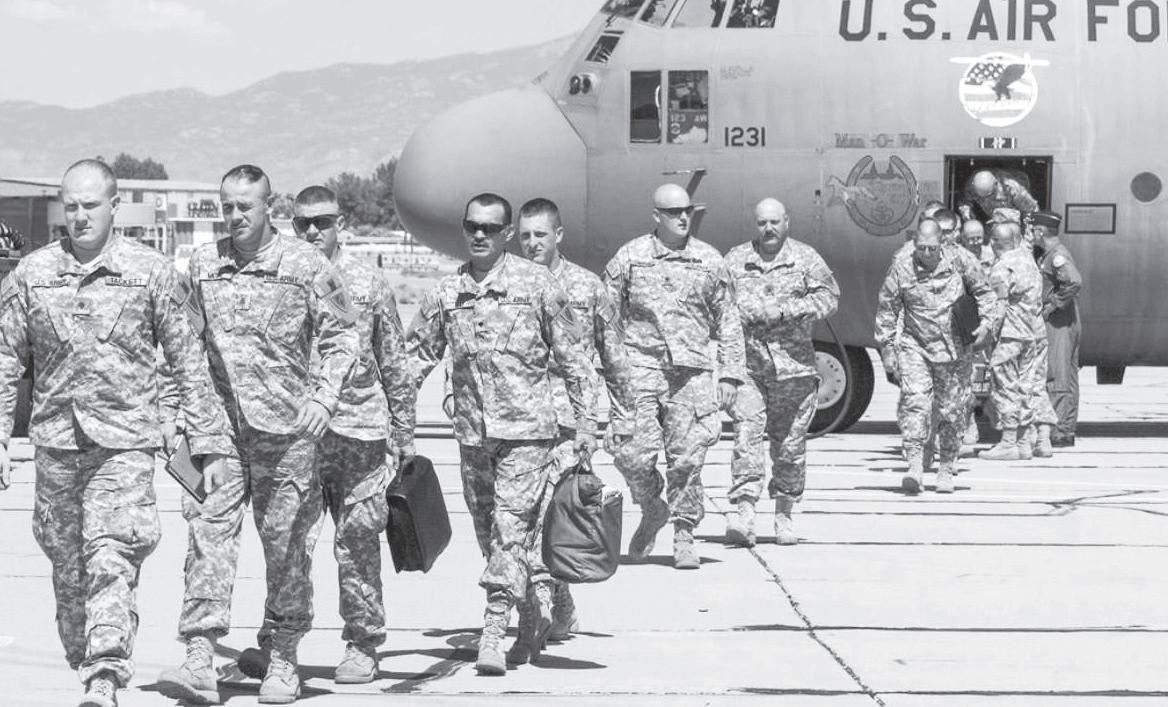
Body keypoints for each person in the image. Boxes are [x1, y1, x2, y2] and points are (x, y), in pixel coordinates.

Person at [0, 160, 231, 707]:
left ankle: (105, 673)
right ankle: (86, 658)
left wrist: (208, 443)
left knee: (112, 554)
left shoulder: (151, 272)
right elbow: (6, 359)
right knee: (67, 566)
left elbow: (188, 361)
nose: (80, 216)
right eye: (71, 207)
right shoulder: (32, 274)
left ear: (115, 205)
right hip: (56, 443)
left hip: (124, 444)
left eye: (91, 205)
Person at [159, 165, 357, 705]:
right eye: (227, 206)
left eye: (245, 206)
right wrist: (172, 412)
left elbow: (344, 336)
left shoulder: (308, 265)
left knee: (287, 545)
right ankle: (199, 656)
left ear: (270, 206)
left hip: (286, 435)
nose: (235, 215)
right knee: (207, 536)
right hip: (215, 433)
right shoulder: (202, 265)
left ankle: (284, 656)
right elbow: (180, 344)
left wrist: (324, 398)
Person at [406, 193, 596, 676]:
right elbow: (414, 360)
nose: (479, 234)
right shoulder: (447, 293)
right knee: (490, 537)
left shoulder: (538, 285)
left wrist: (586, 424)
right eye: (472, 225)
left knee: (510, 533)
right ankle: (531, 617)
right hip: (473, 438)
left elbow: (574, 358)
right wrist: (395, 419)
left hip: (529, 436)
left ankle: (493, 630)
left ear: (506, 233)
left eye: (490, 228)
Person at [234, 186, 417, 684]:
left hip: (357, 432)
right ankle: (277, 643)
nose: (313, 230)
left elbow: (393, 360)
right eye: (303, 223)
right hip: (295, 435)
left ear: (342, 224)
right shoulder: (282, 276)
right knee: (288, 541)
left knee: (357, 540)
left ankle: (362, 643)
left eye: (324, 221)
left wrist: (404, 432)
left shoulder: (366, 281)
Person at [509, 197, 632, 662]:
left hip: (570, 423)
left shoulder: (587, 286)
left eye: (540, 234)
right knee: (525, 520)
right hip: (519, 419)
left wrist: (621, 417)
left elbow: (614, 354)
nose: (532, 243)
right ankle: (556, 606)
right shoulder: (510, 284)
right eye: (525, 236)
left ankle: (541, 611)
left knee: (552, 516)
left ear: (558, 235)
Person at [603, 183, 745, 569]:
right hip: (641, 367)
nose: (683, 217)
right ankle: (652, 506)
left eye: (687, 210)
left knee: (687, 459)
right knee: (629, 453)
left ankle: (684, 532)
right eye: (673, 212)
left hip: (691, 373)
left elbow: (729, 320)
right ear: (656, 216)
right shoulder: (631, 257)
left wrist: (730, 374)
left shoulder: (709, 260)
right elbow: (607, 317)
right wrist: (608, 369)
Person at [724, 199, 838, 546]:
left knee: (789, 448)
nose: (768, 228)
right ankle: (745, 515)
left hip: (794, 371)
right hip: (750, 368)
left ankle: (784, 514)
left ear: (787, 222)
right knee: (746, 439)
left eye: (774, 221)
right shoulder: (736, 259)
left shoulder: (805, 258)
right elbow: (719, 306)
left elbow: (830, 298)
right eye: (762, 223)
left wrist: (787, 311)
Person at [875, 219, 1000, 494]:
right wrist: (888, 350)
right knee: (915, 403)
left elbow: (986, 294)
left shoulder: (961, 260)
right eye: (921, 248)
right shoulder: (902, 267)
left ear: (942, 243)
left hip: (955, 350)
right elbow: (887, 310)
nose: (926, 253)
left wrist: (987, 324)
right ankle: (915, 465)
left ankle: (945, 468)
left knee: (951, 411)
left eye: (932, 248)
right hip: (915, 346)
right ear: (915, 243)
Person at [978, 221, 1053, 460]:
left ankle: (1009, 442)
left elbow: (998, 306)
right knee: (1027, 386)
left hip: (1010, 336)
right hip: (1032, 335)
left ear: (994, 243)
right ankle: (1024, 443)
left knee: (1005, 386)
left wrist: (986, 335)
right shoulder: (1029, 261)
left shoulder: (1002, 267)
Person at [1033, 210, 1082, 446]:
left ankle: (1058, 430)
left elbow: (1074, 282)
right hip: (1063, 319)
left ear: (1040, 232)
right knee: (1067, 375)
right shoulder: (1050, 254)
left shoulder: (1056, 256)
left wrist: (1053, 304)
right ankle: (1065, 428)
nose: (1032, 234)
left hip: (1059, 321)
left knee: (1057, 373)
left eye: (1034, 230)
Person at [958, 169, 1039, 225]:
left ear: (996, 185)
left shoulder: (1013, 189)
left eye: (990, 195)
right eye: (981, 197)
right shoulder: (974, 185)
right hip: (989, 222)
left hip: (1013, 224)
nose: (986, 199)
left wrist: (1028, 230)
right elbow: (964, 201)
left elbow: (1032, 212)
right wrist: (966, 212)